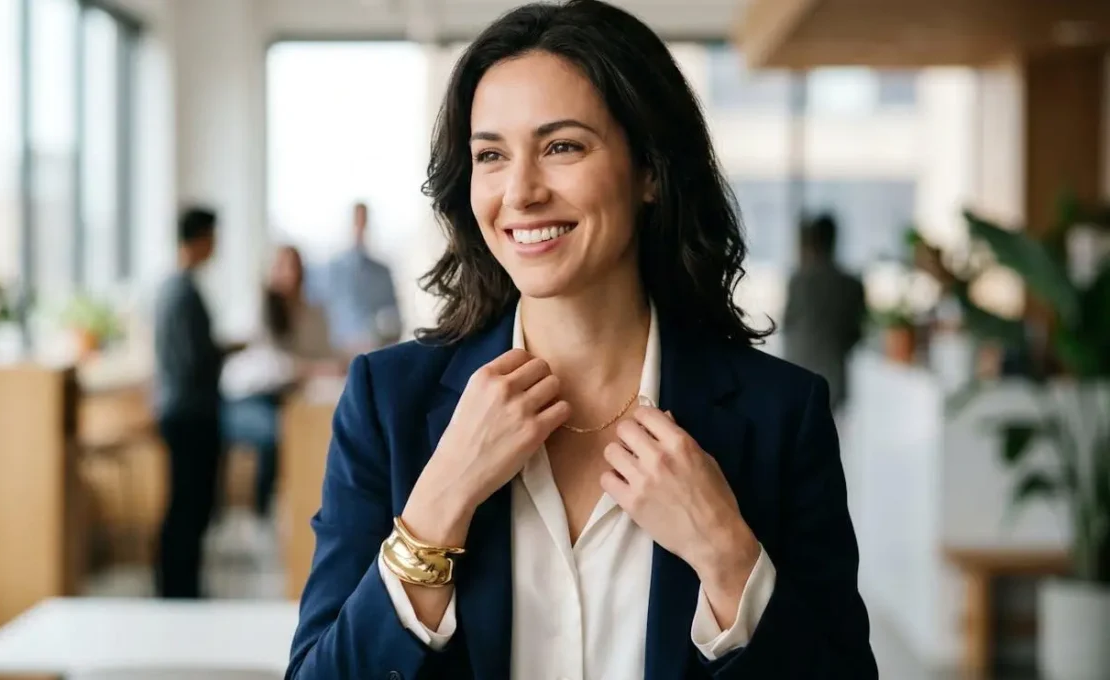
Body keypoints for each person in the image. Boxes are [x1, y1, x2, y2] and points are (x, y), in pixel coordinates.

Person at [286, 1, 877, 678]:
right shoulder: (387, 403)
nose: (521, 192)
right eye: (490, 155)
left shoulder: (781, 416)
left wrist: (726, 554)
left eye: (562, 146)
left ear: (649, 169)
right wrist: (439, 501)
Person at [220, 245, 340, 522]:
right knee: (280, 431)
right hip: (245, 399)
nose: (290, 274)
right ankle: (263, 514)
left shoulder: (311, 311)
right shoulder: (257, 308)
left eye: (295, 267)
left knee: (315, 426)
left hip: (286, 397)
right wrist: (311, 369)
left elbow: (322, 355)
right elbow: (271, 365)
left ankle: (298, 509)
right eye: (283, 267)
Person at [152, 205, 225, 599]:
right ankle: (179, 589)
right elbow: (194, 360)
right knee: (189, 505)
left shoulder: (173, 288)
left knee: (186, 503)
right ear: (200, 239)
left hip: (178, 408)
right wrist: (225, 352)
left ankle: (181, 586)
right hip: (190, 412)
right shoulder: (183, 293)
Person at [782, 213, 867, 411]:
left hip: (797, 370)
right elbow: (856, 334)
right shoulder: (852, 285)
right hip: (833, 375)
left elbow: (788, 324)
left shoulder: (799, 281)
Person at [311, 202, 403, 355]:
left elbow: (394, 316)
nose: (360, 227)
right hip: (339, 351)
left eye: (363, 221)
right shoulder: (332, 270)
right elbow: (318, 310)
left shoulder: (382, 271)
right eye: (357, 221)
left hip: (374, 349)